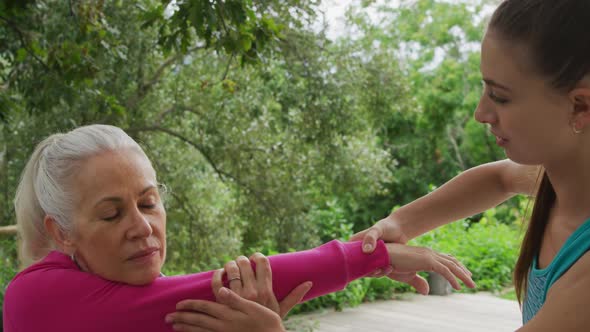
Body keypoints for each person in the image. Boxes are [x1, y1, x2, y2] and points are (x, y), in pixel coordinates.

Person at [3, 124, 474, 332]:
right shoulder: (35, 298)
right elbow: (215, 289)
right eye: (111, 214)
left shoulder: (154, 303)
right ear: (62, 233)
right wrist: (374, 256)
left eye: (149, 203)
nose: (142, 227)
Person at [352, 0, 590, 330]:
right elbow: (500, 179)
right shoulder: (561, 181)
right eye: (485, 89)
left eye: (500, 96)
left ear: (580, 106)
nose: (481, 113)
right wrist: (401, 224)